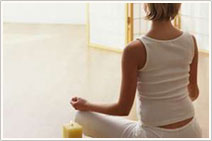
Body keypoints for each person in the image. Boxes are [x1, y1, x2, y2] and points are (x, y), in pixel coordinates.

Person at [70, 3, 202, 138]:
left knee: (81, 117)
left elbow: (123, 108)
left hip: (152, 135)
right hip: (192, 132)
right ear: (177, 6)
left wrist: (87, 105)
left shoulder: (135, 49)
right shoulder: (190, 40)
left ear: (147, 6)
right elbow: (193, 93)